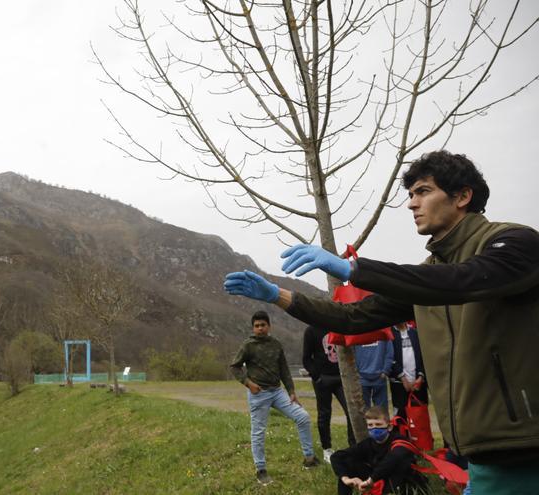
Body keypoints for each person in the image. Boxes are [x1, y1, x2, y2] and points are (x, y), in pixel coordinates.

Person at [223, 150, 539, 492]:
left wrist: (355, 269)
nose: (411, 204)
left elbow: (463, 280)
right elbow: (354, 317)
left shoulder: (514, 244)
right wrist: (279, 296)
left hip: (524, 445)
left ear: (463, 196)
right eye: (410, 195)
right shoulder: (430, 273)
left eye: (423, 191)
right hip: (482, 451)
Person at [230, 311, 319, 486]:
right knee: (258, 432)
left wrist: (291, 391)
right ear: (253, 328)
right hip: (258, 394)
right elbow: (235, 366)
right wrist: (248, 383)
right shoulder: (248, 345)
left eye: (263, 325)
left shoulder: (276, 344)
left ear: (269, 326)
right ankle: (261, 469)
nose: (260, 328)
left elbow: (284, 369)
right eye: (256, 326)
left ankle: (309, 458)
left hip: (278, 392)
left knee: (303, 417)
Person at [331, 406, 427, 495]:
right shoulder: (368, 443)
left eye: (378, 424)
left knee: (399, 466)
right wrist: (346, 479)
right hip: (378, 479)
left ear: (389, 427)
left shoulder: (400, 441)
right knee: (348, 461)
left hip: (401, 481)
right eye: (370, 425)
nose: (374, 428)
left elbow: (393, 459)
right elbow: (337, 456)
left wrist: (370, 480)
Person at [302, 325, 356, 461]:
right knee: (324, 414)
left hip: (341, 378)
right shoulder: (311, 330)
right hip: (322, 379)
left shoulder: (338, 326)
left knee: (350, 410)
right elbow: (306, 358)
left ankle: (353, 446)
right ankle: (327, 448)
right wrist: (317, 377)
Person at [389, 322, 428, 422]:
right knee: (401, 416)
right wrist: (403, 379)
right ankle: (403, 437)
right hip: (399, 383)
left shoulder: (415, 333)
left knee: (420, 416)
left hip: (418, 383)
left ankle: (421, 437)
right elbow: (389, 358)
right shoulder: (389, 334)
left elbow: (424, 356)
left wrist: (420, 377)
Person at [354, 339, 393, 410]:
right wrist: (355, 373)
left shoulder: (382, 330)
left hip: (380, 377)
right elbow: (350, 352)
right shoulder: (356, 331)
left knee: (381, 412)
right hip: (361, 378)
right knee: (364, 412)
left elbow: (389, 352)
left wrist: (385, 371)